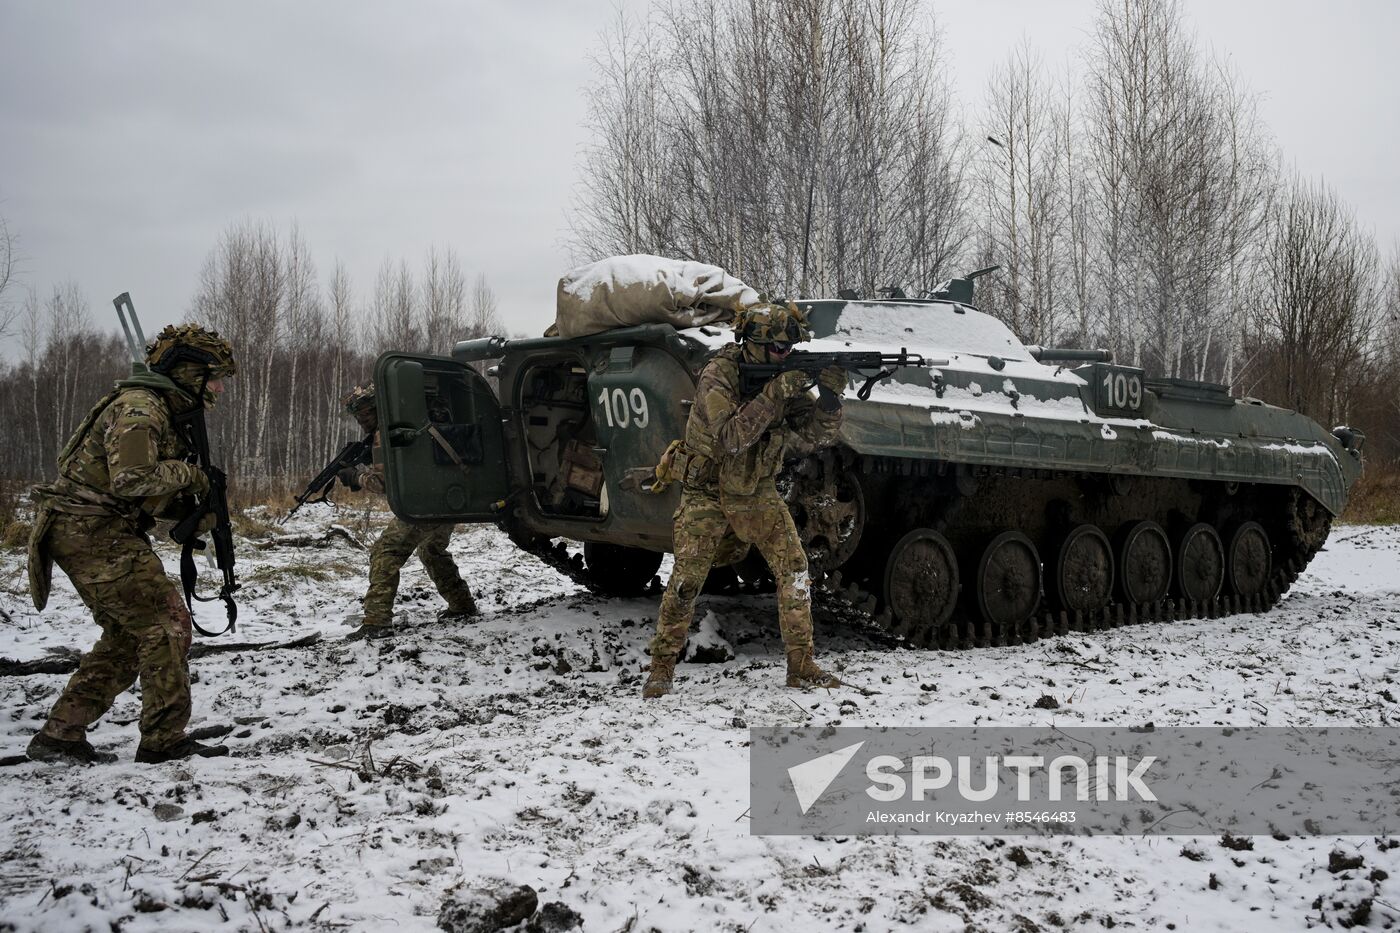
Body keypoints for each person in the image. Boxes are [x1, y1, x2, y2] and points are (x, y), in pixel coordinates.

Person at [26, 324, 237, 764]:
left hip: (96, 528)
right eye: (213, 376)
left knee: (127, 637)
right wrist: (191, 475)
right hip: (90, 530)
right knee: (166, 625)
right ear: (187, 373)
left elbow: (140, 493)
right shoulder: (141, 408)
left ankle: (61, 734)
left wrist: (193, 512)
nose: (218, 387)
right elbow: (132, 478)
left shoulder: (162, 408)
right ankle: (164, 741)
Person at [643, 301, 845, 698]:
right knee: (687, 580)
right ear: (752, 344)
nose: (784, 355)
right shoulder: (720, 374)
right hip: (708, 489)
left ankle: (801, 665)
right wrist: (773, 393)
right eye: (776, 348)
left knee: (794, 569)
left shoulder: (782, 375)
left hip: (756, 489)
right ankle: (661, 668)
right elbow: (729, 438)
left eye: (789, 348)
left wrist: (830, 399)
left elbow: (816, 435)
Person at [340, 384, 477, 639]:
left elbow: (382, 483)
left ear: (377, 409)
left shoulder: (386, 431)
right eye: (358, 418)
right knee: (432, 550)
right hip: (450, 496)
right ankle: (463, 605)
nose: (362, 422)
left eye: (365, 415)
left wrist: (356, 477)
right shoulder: (418, 420)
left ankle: (377, 621)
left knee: (386, 552)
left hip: (425, 503)